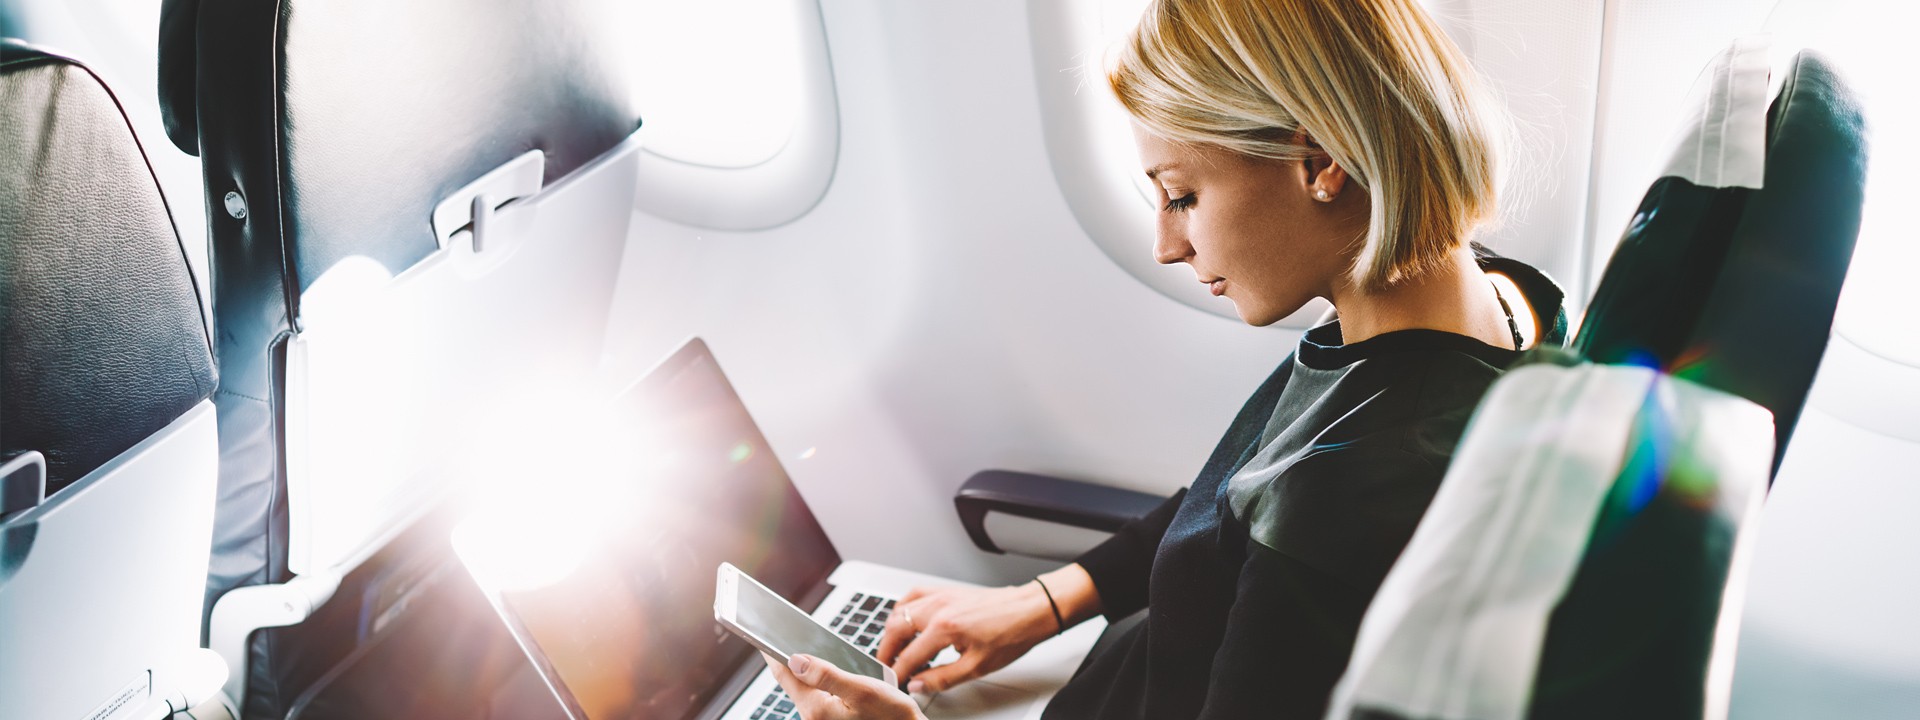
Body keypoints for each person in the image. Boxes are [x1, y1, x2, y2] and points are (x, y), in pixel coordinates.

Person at [765, 0, 1567, 716]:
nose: (1164, 244)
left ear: (1322, 162)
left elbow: (1285, 517)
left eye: (1182, 194)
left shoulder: (1348, 494)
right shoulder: (1504, 300)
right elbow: (1234, 502)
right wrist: (1044, 601)